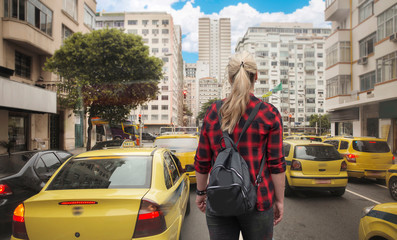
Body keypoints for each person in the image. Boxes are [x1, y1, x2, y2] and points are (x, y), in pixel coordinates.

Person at [194, 51, 286, 240]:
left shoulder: (213, 112)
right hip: (259, 200)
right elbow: (276, 164)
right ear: (256, 77)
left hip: (219, 198)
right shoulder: (269, 114)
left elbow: (202, 161)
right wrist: (279, 200)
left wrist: (201, 193)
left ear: (229, 78)